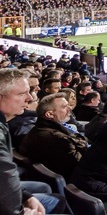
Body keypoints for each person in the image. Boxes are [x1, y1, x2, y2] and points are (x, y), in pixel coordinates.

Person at [0, 69, 66, 214]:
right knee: (58, 200)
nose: (29, 98)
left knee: (44, 189)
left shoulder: (3, 124)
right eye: (21, 93)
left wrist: (26, 196)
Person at [20, 93, 89, 178]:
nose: (70, 108)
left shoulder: (38, 130)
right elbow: (82, 166)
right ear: (49, 114)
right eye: (64, 107)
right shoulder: (58, 139)